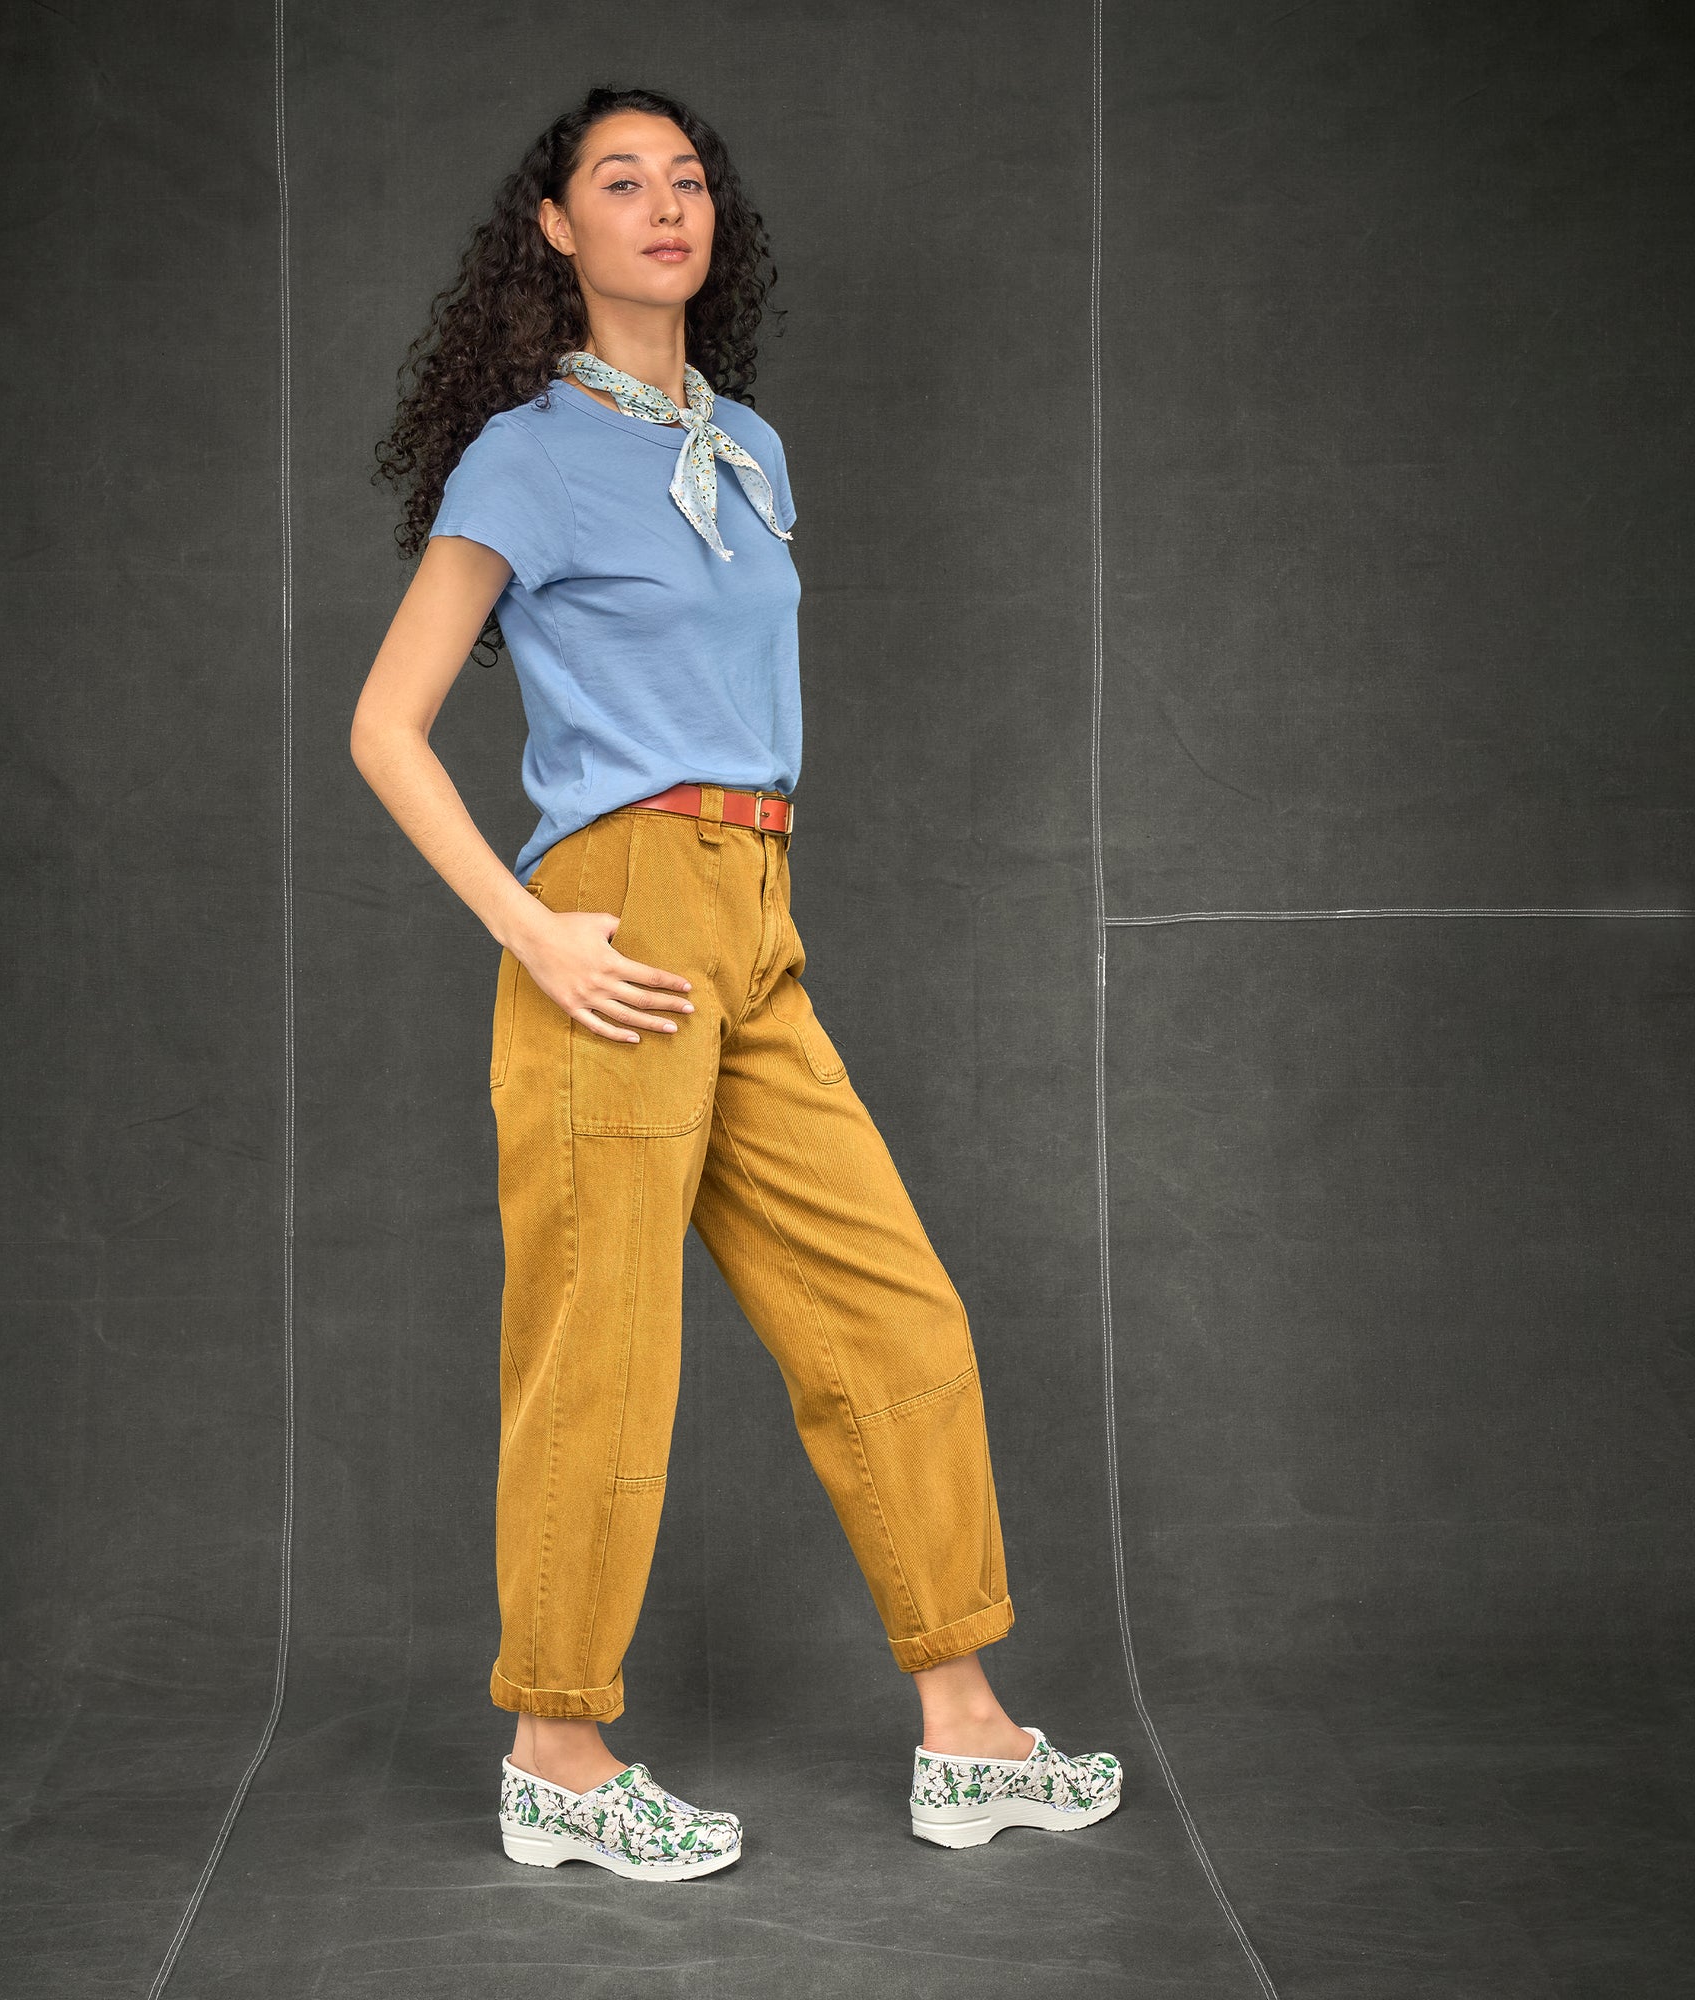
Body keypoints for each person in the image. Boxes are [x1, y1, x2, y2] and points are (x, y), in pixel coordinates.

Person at [352, 84, 1122, 1881]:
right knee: (602, 1346)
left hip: (752, 911)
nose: (662, 204)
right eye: (620, 181)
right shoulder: (521, 455)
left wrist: (742, 902)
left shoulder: (752, 446)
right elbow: (389, 727)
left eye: (686, 178)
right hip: (609, 918)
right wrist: (531, 932)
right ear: (554, 228)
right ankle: (558, 1746)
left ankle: (967, 1731)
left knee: (892, 1316)